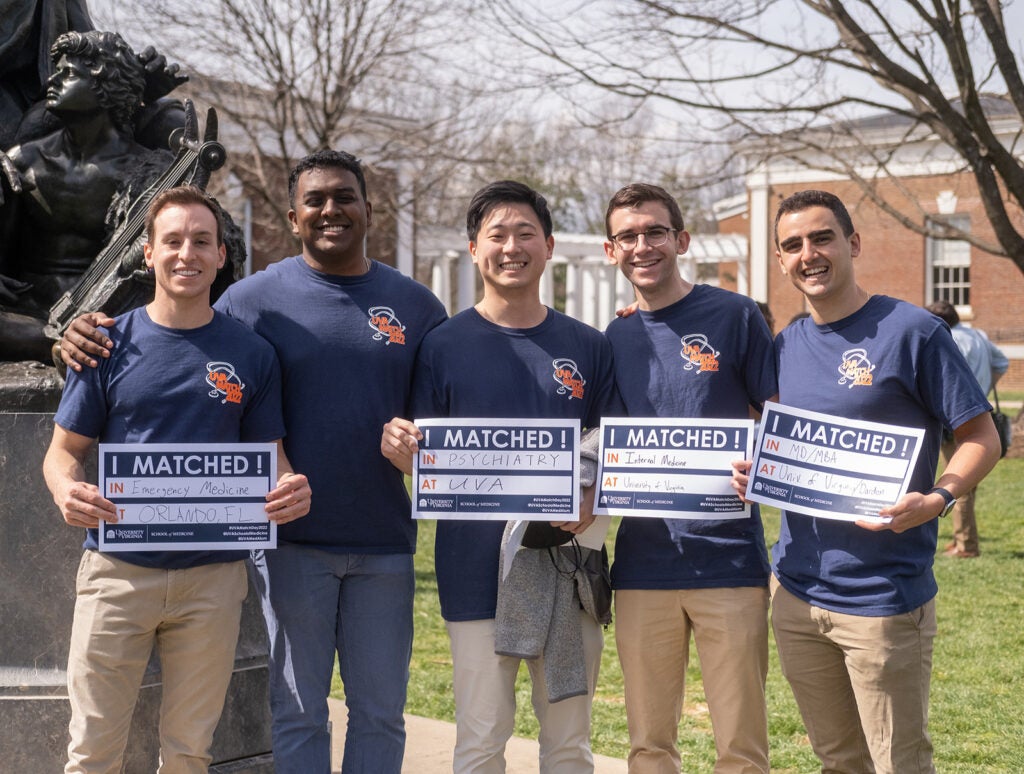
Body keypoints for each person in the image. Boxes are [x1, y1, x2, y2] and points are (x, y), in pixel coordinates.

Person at [60, 149, 449, 773]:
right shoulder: (248, 302)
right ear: (293, 218)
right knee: (296, 711)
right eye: (315, 201)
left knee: (379, 715)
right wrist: (72, 337)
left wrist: (420, 453)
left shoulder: (419, 305)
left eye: (344, 197)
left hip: (383, 542)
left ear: (368, 209)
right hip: (286, 546)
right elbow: (181, 337)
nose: (330, 211)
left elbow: (442, 424)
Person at [43, 185, 311, 774]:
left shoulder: (252, 354)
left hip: (212, 583)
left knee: (190, 754)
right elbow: (62, 454)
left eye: (201, 241)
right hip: (117, 575)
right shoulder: (107, 344)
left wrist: (291, 487)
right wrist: (67, 489)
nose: (186, 253)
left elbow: (271, 458)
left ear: (220, 256)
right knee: (91, 753)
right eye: (173, 241)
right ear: (148, 252)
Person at [732, 190, 1001, 774]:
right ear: (781, 261)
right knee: (838, 762)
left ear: (853, 243)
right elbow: (779, 443)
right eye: (793, 245)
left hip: (883, 598)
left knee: (898, 763)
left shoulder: (912, 331)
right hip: (798, 596)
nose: (809, 254)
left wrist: (940, 497)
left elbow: (983, 436)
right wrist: (761, 469)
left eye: (822, 237)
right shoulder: (786, 346)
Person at [380, 180, 620, 773]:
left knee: (569, 742)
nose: (511, 247)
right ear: (473, 249)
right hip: (474, 571)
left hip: (566, 564)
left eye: (525, 233)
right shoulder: (441, 346)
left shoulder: (588, 347)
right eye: (497, 235)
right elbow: (424, 451)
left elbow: (609, 447)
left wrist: (592, 497)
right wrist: (404, 451)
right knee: (481, 740)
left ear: (549, 246)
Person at [603, 183, 776, 774]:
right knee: (649, 747)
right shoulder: (615, 338)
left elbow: (776, 417)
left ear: (681, 240)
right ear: (611, 250)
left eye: (655, 232)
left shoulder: (735, 314)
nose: (642, 245)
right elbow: (599, 442)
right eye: (628, 236)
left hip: (729, 561)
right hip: (643, 566)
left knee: (742, 748)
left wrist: (766, 467)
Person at [0, 29, 168, 361]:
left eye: (68, 74)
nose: (53, 81)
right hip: (27, 316)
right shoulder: (24, 161)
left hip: (107, 313)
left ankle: (68, 343)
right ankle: (60, 345)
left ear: (105, 86)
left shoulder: (145, 170)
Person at [925, 299, 1009, 558]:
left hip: (955, 421)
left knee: (957, 481)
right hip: (980, 414)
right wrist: (980, 391)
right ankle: (962, 540)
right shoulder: (979, 336)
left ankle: (966, 546)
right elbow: (1002, 363)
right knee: (968, 483)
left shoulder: (946, 340)